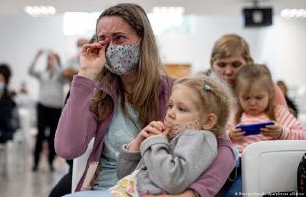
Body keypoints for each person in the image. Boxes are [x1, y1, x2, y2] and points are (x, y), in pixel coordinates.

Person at [55, 3, 235, 197]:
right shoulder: (100, 95)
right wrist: (86, 74)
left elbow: (226, 149)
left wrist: (194, 193)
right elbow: (67, 149)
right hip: (106, 190)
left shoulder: (177, 93)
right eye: (103, 40)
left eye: (119, 38)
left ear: (143, 41)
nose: (111, 47)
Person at [110, 76, 232, 196]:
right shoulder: (172, 138)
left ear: (207, 121)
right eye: (170, 106)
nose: (170, 114)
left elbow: (173, 181)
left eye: (182, 109)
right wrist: (136, 146)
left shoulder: (198, 139)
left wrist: (156, 143)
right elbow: (125, 177)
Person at [226, 64, 306, 196]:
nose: (252, 103)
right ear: (238, 95)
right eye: (246, 98)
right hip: (236, 167)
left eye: (258, 98)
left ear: (270, 94)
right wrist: (230, 135)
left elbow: (303, 137)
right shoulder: (234, 114)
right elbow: (219, 139)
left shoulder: (278, 113)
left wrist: (282, 133)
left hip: (270, 166)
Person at [29, 50, 65, 171]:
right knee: (40, 134)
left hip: (56, 108)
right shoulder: (42, 73)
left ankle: (50, 161)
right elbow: (30, 71)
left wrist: (55, 62)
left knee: (53, 136)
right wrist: (36, 57)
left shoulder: (61, 74)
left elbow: (62, 74)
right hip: (42, 106)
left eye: (53, 59)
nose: (50, 61)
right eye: (49, 59)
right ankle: (35, 162)